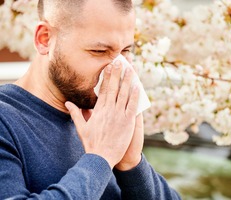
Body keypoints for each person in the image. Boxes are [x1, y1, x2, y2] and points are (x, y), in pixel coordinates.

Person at [0, 0, 182, 199]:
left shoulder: (104, 121)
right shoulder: (6, 120)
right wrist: (101, 157)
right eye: (99, 51)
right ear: (45, 39)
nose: (118, 68)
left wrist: (132, 165)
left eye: (126, 51)